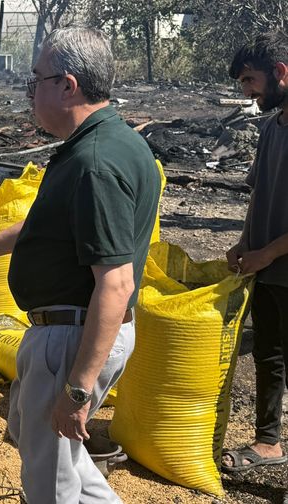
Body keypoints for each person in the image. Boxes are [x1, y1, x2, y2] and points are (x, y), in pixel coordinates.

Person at [0, 27, 160, 502]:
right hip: (72, 331)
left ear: (67, 85)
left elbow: (116, 283)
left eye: (36, 80)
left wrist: (77, 390)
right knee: (65, 461)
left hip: (72, 336)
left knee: (49, 484)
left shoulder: (94, 163)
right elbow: (50, 225)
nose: (30, 92)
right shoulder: (109, 142)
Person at [222, 31, 288, 475]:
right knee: (268, 353)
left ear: (280, 72)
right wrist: (245, 244)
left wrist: (267, 253)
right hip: (267, 268)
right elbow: (258, 193)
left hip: (277, 263)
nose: (247, 92)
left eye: (250, 80)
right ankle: (268, 441)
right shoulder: (271, 128)